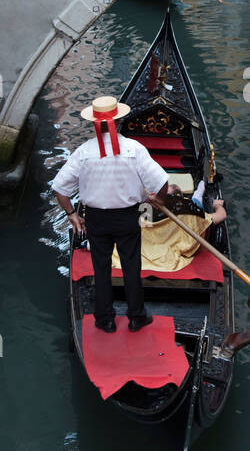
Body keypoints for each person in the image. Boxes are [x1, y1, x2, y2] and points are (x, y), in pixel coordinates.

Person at [52, 94, 180, 333]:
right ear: (119, 122)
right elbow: (162, 180)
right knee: (131, 267)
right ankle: (136, 317)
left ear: (94, 125)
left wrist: (72, 214)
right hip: (126, 219)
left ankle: (105, 320)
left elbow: (59, 189)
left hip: (96, 220)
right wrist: (158, 199)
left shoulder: (82, 152)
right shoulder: (134, 149)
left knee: (101, 268)